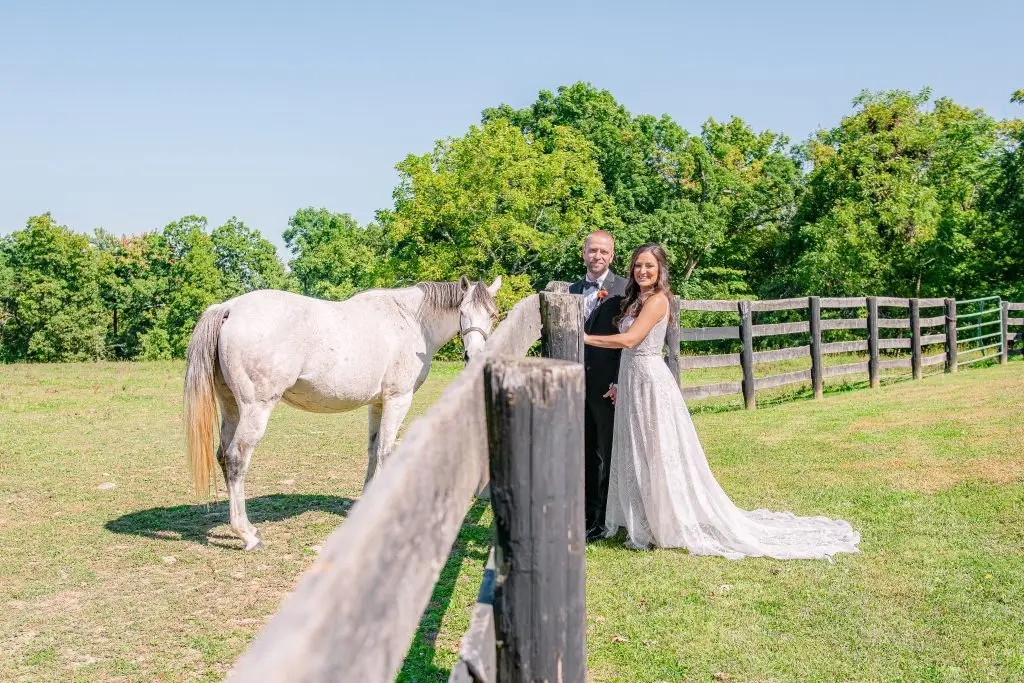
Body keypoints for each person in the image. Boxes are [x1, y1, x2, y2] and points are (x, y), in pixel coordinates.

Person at [583, 243, 861, 560]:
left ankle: (668, 520)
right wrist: (619, 381)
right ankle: (646, 519)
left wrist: (585, 338)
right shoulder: (635, 300)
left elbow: (631, 340)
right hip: (632, 380)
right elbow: (631, 351)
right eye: (638, 266)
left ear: (660, 270)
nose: (643, 271)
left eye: (649, 266)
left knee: (658, 450)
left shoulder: (660, 300)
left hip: (650, 383)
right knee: (640, 450)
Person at [568, 230, 628, 542]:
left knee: (608, 452)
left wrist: (619, 380)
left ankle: (607, 516)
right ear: (584, 253)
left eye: (604, 252)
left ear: (612, 256)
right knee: (584, 453)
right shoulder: (571, 290)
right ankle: (587, 516)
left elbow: (629, 340)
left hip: (608, 387)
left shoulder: (624, 289)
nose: (598, 256)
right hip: (576, 386)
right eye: (592, 251)